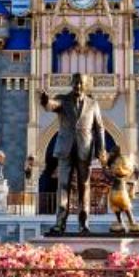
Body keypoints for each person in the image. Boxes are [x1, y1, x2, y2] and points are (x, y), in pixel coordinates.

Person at [40, 73, 107, 234]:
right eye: (75, 83)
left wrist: (101, 149)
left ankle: (84, 224)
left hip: (85, 148)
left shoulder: (93, 104)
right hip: (65, 149)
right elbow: (52, 105)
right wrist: (45, 100)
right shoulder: (63, 100)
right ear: (72, 83)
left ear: (85, 85)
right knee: (63, 186)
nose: (77, 86)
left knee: (84, 186)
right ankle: (60, 223)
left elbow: (99, 128)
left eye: (81, 83)